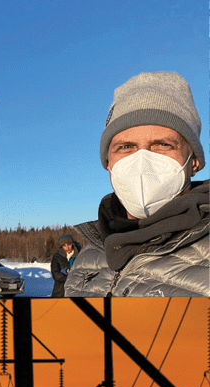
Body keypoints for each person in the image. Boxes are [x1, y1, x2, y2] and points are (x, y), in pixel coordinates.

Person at [67, 72, 210, 297]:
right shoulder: (91, 254)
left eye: (162, 144)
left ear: (193, 161)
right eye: (125, 147)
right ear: (108, 162)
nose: (142, 160)